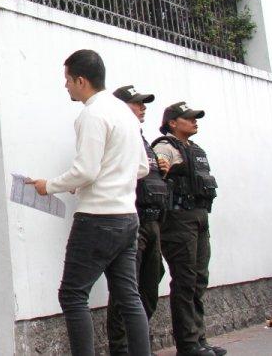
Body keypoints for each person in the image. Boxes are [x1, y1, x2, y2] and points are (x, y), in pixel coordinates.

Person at [27, 50, 152, 356]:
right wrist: (100, 180)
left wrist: (49, 186)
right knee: (129, 296)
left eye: (68, 80)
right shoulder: (125, 112)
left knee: (72, 295)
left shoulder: (92, 114)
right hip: (127, 218)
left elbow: (86, 170)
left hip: (97, 219)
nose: (66, 86)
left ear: (81, 81)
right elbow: (142, 167)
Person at [153, 102, 224, 356]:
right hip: (178, 219)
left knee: (199, 279)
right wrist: (163, 165)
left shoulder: (195, 149)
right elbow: (159, 169)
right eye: (189, 118)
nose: (195, 121)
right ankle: (188, 344)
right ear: (173, 123)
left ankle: (199, 339)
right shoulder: (165, 147)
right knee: (185, 280)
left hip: (200, 217)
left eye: (195, 118)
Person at [106, 85, 171, 355]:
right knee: (126, 289)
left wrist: (162, 169)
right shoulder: (117, 134)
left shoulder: (141, 138)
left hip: (152, 222)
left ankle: (139, 345)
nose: (143, 107)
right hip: (133, 220)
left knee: (150, 285)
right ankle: (121, 349)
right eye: (137, 103)